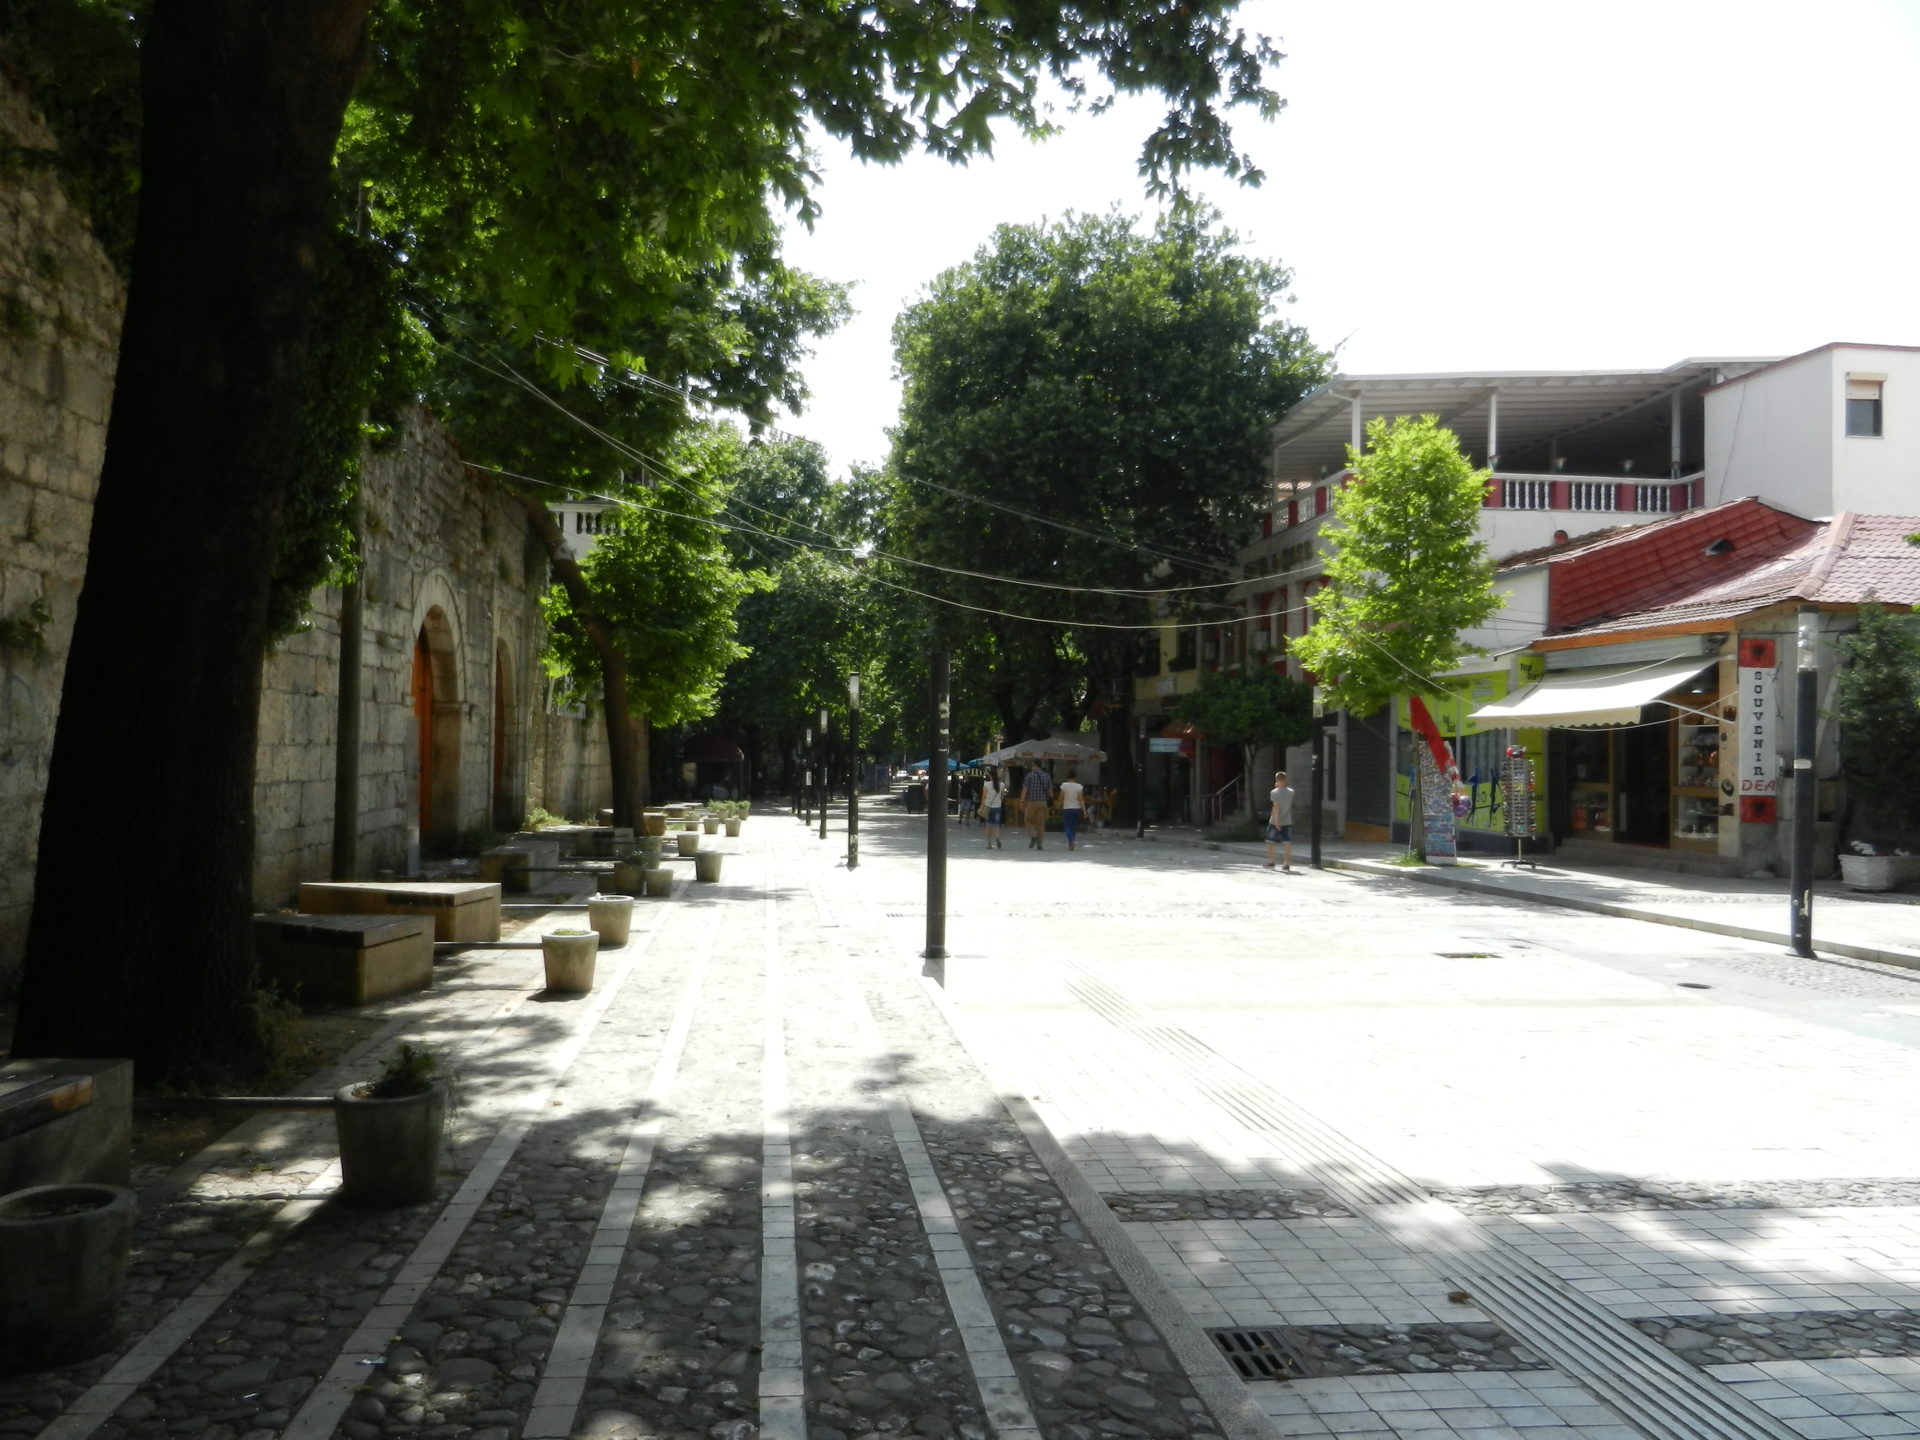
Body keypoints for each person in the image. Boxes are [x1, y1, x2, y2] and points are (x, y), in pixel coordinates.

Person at [1265, 769, 1295, 873]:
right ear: (1285, 780)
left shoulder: (1274, 792)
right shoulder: (1291, 792)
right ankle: (1287, 864)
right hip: (1287, 820)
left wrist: (1277, 822)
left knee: (1270, 841)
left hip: (1275, 821)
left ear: (1276, 780)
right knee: (1287, 842)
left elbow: (1276, 808)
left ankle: (1271, 861)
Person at [1020, 763, 1054, 849]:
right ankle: (1040, 845)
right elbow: (1051, 793)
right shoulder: (1047, 776)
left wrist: (1022, 800)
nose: (1031, 767)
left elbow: (1025, 789)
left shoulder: (1029, 775)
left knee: (1028, 820)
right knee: (1041, 824)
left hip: (1031, 802)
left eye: (1032, 765)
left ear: (1035, 766)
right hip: (1043, 803)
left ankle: (1033, 836)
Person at [1057, 769, 1087, 851]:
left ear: (1067, 776)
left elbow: (1061, 797)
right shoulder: (1079, 786)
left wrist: (1058, 805)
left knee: (1067, 826)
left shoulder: (1064, 785)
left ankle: (1071, 841)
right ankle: (1071, 844)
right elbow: (1081, 799)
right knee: (1073, 827)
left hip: (1067, 808)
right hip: (1076, 809)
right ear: (1075, 777)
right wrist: (1084, 811)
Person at [981, 771, 1005, 848]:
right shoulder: (1002, 784)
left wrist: (982, 805)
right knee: (996, 825)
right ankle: (997, 837)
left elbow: (984, 796)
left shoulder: (986, 784)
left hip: (988, 807)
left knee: (988, 825)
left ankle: (989, 844)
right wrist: (999, 802)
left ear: (990, 776)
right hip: (997, 807)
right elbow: (1002, 796)